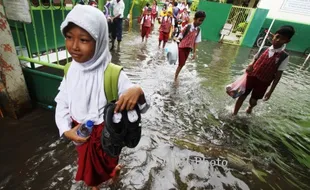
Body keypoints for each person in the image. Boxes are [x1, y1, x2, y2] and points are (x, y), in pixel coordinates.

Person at [55, 5, 147, 190]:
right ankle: (106, 177)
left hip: (106, 135)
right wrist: (66, 130)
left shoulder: (113, 74)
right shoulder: (70, 69)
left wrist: (137, 90)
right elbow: (62, 102)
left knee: (105, 163)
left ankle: (106, 177)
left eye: (83, 40)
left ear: (100, 40)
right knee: (89, 165)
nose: (74, 46)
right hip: (80, 131)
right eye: (69, 37)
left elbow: (142, 106)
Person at [233, 25, 295, 115]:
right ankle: (234, 113)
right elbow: (255, 59)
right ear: (273, 35)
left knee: (253, 100)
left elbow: (278, 76)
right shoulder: (264, 49)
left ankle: (250, 107)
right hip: (251, 77)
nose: (278, 40)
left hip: (263, 82)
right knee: (242, 95)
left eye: (282, 39)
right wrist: (250, 65)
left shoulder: (284, 56)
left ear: (287, 41)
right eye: (277, 37)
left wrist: (270, 91)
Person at [174, 11, 206, 82]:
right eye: (199, 20)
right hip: (182, 47)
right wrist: (177, 39)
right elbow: (180, 35)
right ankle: (175, 78)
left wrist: (195, 52)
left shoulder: (198, 30)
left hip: (188, 49)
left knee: (182, 64)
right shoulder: (187, 26)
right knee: (181, 63)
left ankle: (176, 75)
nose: (200, 22)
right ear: (195, 19)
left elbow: (196, 41)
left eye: (202, 21)